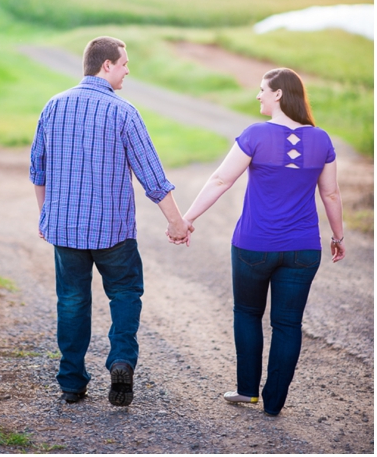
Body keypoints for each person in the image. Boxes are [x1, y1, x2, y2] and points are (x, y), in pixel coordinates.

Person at [30, 36, 193, 407]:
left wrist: (45, 213)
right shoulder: (124, 112)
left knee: (71, 301)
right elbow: (152, 176)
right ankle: (121, 360)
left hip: (66, 229)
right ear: (106, 65)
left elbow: (37, 170)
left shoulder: (53, 106)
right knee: (124, 293)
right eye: (124, 64)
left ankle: (72, 383)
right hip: (113, 233)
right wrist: (177, 223)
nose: (127, 70)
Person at [180, 67, 345, 416]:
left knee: (248, 313)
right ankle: (275, 402)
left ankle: (247, 391)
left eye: (262, 90)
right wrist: (339, 236)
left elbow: (221, 180)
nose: (258, 95)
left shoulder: (256, 135)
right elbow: (330, 195)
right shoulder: (322, 140)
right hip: (303, 249)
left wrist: (188, 218)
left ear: (279, 95)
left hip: (254, 246)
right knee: (288, 324)